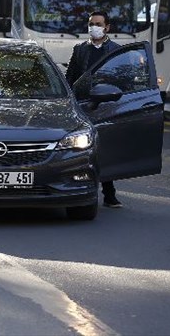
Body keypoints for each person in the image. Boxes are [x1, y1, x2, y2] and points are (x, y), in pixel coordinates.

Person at [64, 11, 123, 208]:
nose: (93, 28)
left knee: (105, 148)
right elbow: (70, 77)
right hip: (84, 106)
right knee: (83, 149)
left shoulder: (116, 50)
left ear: (107, 27)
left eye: (98, 24)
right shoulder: (80, 50)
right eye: (91, 24)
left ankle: (109, 193)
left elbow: (122, 79)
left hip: (106, 105)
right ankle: (78, 189)